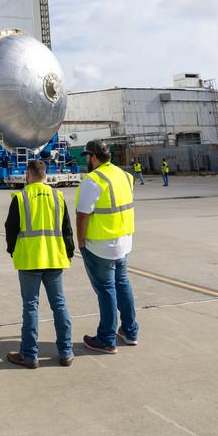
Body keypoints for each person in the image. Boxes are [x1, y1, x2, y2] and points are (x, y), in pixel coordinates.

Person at [4, 159, 74, 369]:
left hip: (29, 260)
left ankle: (29, 355)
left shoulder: (21, 197)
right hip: (54, 259)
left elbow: (10, 229)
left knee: (30, 307)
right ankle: (66, 352)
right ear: (46, 175)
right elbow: (67, 229)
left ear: (28, 175)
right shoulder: (58, 196)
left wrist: (12, 250)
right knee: (59, 305)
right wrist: (68, 253)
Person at [75, 140, 137, 354]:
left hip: (101, 245)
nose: (86, 161)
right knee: (122, 284)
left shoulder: (93, 180)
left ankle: (106, 338)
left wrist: (80, 240)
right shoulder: (125, 175)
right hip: (124, 241)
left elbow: (83, 214)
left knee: (106, 290)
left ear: (92, 157)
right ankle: (130, 331)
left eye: (87, 157)